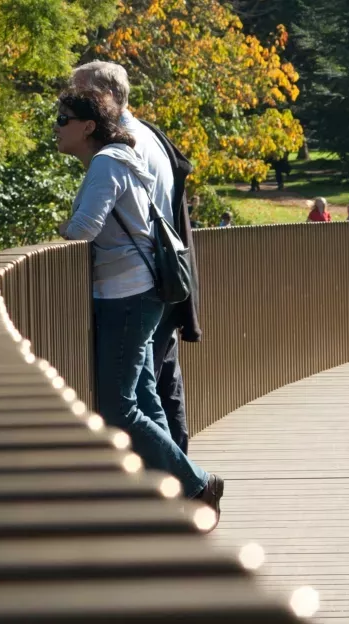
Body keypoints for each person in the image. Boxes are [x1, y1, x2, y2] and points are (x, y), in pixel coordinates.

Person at [54, 87, 223, 511]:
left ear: (88, 126)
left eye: (62, 119)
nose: (55, 129)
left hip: (126, 294)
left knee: (118, 406)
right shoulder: (113, 160)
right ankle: (167, 490)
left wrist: (62, 229)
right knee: (143, 395)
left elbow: (84, 229)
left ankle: (197, 483)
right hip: (134, 291)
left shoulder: (107, 163)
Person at [70, 60, 197, 454]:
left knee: (132, 398)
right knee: (157, 382)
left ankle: (185, 480)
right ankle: (182, 480)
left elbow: (88, 226)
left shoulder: (120, 149)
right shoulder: (147, 135)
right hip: (157, 274)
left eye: (79, 96)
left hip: (134, 279)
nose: (68, 107)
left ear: (102, 99)